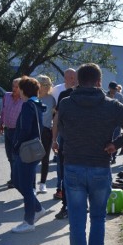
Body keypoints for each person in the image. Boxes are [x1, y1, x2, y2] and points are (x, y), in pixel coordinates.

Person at [57, 63, 123, 245]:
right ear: (99, 82)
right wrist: (117, 144)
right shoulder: (111, 105)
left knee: (76, 222)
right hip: (99, 167)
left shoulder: (66, 104)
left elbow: (62, 132)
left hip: (73, 167)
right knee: (97, 219)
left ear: (77, 80)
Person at [11, 77, 49, 233]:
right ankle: (38, 209)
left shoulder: (28, 105)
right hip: (32, 149)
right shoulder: (36, 103)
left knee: (25, 185)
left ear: (23, 89)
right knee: (18, 181)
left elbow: (25, 129)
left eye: (19, 88)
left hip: (26, 149)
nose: (17, 90)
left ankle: (29, 221)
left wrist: (16, 144)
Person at [51, 68, 77, 202]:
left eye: (75, 77)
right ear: (65, 78)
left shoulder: (91, 96)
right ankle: (60, 189)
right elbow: (56, 118)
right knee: (61, 164)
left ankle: (74, 198)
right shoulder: (62, 94)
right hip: (64, 137)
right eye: (70, 77)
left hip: (80, 140)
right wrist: (54, 139)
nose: (73, 80)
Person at [0, 78, 23, 188]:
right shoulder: (7, 96)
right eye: (13, 86)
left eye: (17, 87)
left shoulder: (24, 100)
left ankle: (15, 179)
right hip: (7, 129)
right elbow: (3, 111)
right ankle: (14, 177)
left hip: (18, 131)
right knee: (9, 156)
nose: (14, 89)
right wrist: (1, 123)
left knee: (14, 156)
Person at [37, 75, 56, 194]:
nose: (43, 87)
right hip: (34, 131)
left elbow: (55, 117)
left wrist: (54, 137)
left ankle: (43, 183)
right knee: (32, 158)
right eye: (40, 84)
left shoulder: (51, 99)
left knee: (45, 158)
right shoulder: (32, 98)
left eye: (45, 85)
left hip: (46, 131)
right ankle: (32, 186)